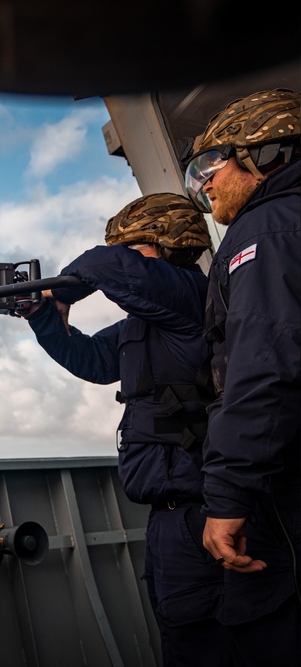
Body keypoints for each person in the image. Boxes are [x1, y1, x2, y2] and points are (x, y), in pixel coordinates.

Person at [22, 193, 232, 666]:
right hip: (168, 516)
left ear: (167, 246)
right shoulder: (146, 323)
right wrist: (43, 316)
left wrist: (63, 288)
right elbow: (93, 360)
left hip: (204, 510)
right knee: (179, 636)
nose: (125, 258)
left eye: (134, 248)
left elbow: (105, 264)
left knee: (202, 645)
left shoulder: (193, 299)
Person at [183, 88, 300, 665]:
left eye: (214, 164)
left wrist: (227, 495)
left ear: (268, 153)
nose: (205, 183)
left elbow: (264, 367)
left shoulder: (264, 231)